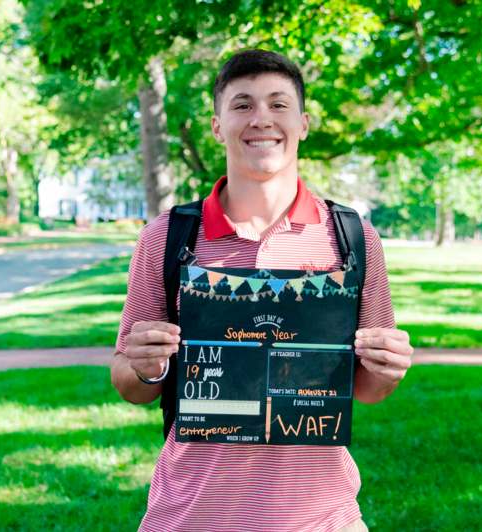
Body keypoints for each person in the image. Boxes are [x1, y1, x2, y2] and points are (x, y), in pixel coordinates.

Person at [112, 49, 414, 532]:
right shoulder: (167, 237)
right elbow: (130, 385)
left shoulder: (352, 237)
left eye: (278, 104)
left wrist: (390, 369)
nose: (261, 119)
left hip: (320, 518)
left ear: (303, 122)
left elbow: (368, 389)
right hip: (192, 515)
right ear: (217, 125)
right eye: (242, 105)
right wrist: (144, 366)